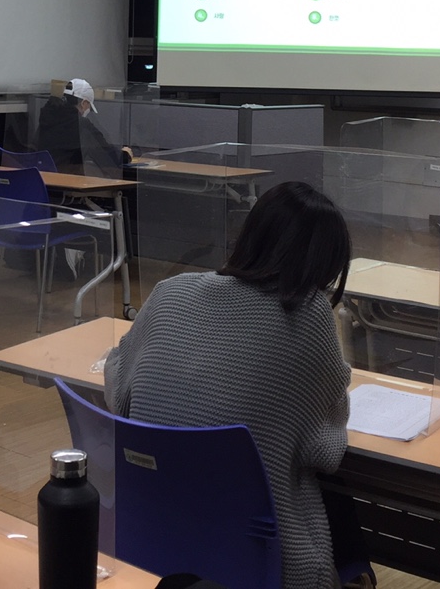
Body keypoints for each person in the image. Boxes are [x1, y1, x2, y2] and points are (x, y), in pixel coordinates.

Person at [105, 181, 369, 589]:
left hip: (156, 537)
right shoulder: (309, 316)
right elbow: (323, 449)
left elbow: (119, 393)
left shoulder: (169, 292)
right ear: (325, 265)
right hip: (255, 557)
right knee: (338, 503)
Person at [35, 78, 131, 176]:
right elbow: (104, 155)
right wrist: (124, 155)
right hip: (67, 179)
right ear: (84, 103)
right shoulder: (81, 124)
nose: (88, 110)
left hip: (42, 177)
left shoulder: (47, 119)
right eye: (89, 106)